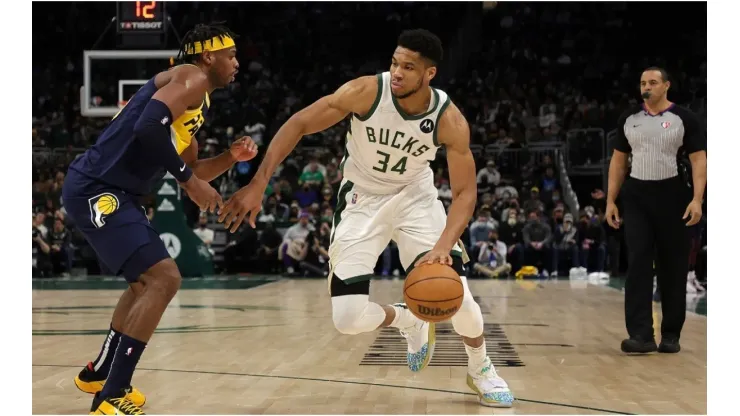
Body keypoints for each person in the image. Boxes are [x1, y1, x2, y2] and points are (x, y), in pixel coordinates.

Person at [217, 29, 513, 407]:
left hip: (415, 199)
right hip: (362, 199)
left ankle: (481, 367)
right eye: (394, 62)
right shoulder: (366, 92)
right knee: (348, 318)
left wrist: (441, 248)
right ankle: (407, 320)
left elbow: (465, 193)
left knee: (461, 303)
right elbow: (299, 124)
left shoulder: (448, 120)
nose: (397, 72)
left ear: (430, 74)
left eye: (408, 67)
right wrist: (260, 181)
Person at [62, 23, 257, 415]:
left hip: (119, 193)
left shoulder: (196, 106)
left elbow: (194, 168)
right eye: (231, 54)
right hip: (97, 188)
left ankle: (99, 374)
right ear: (208, 56)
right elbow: (147, 126)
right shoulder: (191, 76)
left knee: (142, 284)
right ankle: (112, 395)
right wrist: (188, 183)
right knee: (164, 278)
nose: (237, 62)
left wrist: (231, 159)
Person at [606, 66, 706, 354]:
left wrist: (697, 199)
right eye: (642, 83)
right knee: (637, 263)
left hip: (673, 195)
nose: (646, 87)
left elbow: (700, 162)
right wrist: (611, 200)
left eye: (652, 82)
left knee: (672, 266)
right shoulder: (629, 118)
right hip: (636, 196)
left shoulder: (684, 118)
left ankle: (671, 334)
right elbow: (618, 162)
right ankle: (640, 335)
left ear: (666, 86)